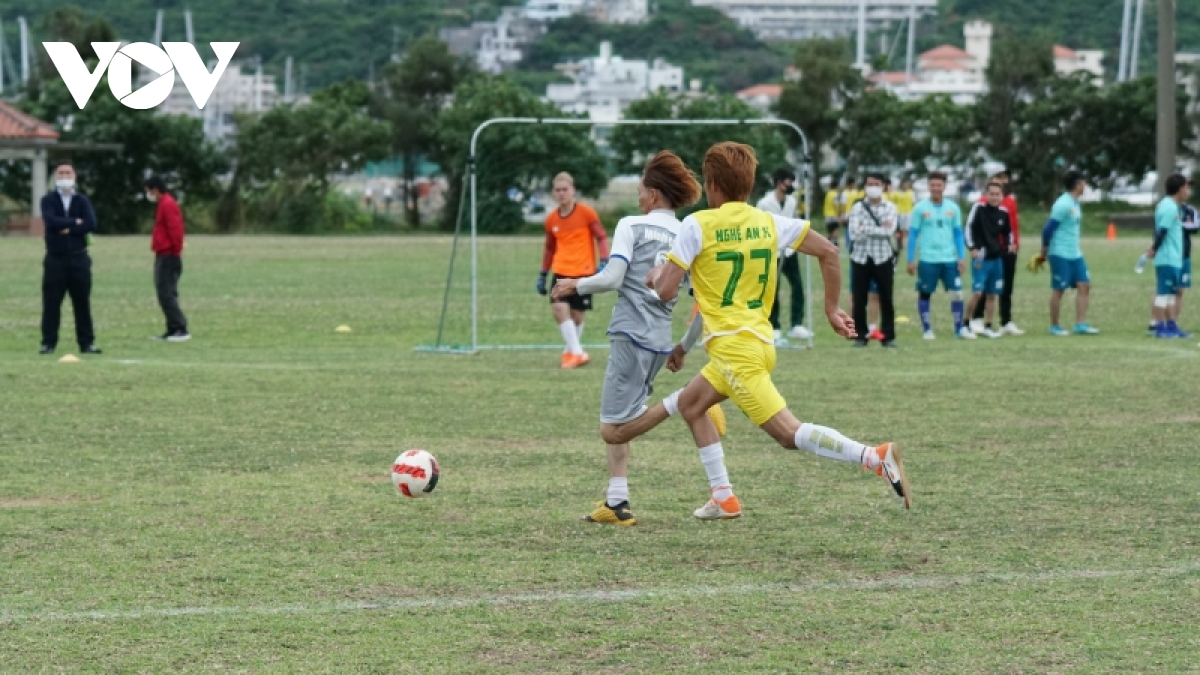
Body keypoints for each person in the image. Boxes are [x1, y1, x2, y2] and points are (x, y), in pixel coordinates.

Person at [604, 142, 910, 518]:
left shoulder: (698, 224)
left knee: (788, 434)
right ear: (748, 184)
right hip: (758, 343)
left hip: (734, 352)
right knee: (691, 406)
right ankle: (723, 497)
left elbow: (666, 291)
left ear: (711, 184)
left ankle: (874, 457)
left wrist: (654, 276)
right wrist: (831, 309)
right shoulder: (768, 221)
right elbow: (829, 251)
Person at [552, 151, 723, 526]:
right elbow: (705, 304)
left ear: (655, 193)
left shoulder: (632, 225)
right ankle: (617, 502)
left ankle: (684, 400)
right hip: (660, 343)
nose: (639, 198)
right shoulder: (688, 232)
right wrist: (684, 346)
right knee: (623, 414)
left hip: (630, 336)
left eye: (641, 191)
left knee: (611, 429)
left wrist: (575, 284)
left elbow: (613, 278)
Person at [535, 172, 609, 368]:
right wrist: (543, 274)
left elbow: (601, 237)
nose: (561, 193)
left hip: (583, 272)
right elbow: (549, 248)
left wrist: (604, 259)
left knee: (577, 316)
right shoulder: (551, 220)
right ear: (553, 193)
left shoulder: (587, 213)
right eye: (557, 190)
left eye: (565, 189)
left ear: (573, 190)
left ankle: (570, 351)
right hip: (561, 270)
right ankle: (577, 353)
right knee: (558, 308)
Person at [39, 161, 100, 356]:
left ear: (75, 176)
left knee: (82, 302)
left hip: (79, 258)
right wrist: (75, 222)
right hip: (55, 259)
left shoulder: (82, 200)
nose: (64, 176)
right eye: (61, 173)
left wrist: (68, 229)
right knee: (51, 302)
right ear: (55, 176)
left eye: (68, 173)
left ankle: (86, 342)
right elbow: (51, 221)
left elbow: (91, 223)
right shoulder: (48, 200)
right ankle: (48, 343)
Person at [1030, 171, 1099, 336]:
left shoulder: (1075, 203)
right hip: (1060, 252)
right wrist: (1044, 249)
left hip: (1075, 253)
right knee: (1059, 289)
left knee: (1084, 285)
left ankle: (1080, 324)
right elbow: (1048, 229)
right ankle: (1055, 326)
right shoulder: (1063, 204)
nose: (1085, 186)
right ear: (1077, 185)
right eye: (1083, 183)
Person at [907, 171, 969, 340]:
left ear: (944, 187)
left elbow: (958, 234)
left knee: (957, 293)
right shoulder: (920, 208)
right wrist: (910, 259)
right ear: (929, 186)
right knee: (925, 293)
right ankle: (927, 330)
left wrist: (961, 257)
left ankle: (959, 329)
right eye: (932, 185)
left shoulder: (953, 208)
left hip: (949, 258)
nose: (935, 188)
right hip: (928, 259)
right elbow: (913, 234)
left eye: (938, 185)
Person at [757, 167, 810, 344]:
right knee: (773, 288)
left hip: (789, 250)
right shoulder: (764, 203)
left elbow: (794, 222)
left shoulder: (792, 202)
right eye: (788, 182)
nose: (791, 186)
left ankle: (796, 324)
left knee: (797, 285)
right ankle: (774, 325)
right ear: (779, 183)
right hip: (772, 251)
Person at [848, 173, 898, 348]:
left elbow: (889, 231)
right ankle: (860, 335)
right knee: (859, 298)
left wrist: (865, 228)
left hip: (883, 257)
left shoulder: (890, 207)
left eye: (876, 184)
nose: (872, 187)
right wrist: (877, 228)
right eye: (869, 184)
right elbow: (854, 233)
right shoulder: (857, 207)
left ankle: (888, 336)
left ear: (883, 186)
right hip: (860, 257)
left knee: (886, 297)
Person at [971, 171, 1024, 335]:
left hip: (1007, 250)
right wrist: (975, 247)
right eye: (999, 178)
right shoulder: (982, 203)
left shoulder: (1010, 201)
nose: (1002, 181)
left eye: (1004, 178)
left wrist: (1014, 243)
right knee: (984, 286)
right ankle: (977, 317)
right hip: (989, 251)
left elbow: (1013, 226)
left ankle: (1006, 320)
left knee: (1006, 286)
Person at [964, 181, 1014, 339]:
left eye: (997, 194)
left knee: (993, 295)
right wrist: (972, 247)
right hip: (981, 258)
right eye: (991, 194)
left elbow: (1008, 233)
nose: (994, 197)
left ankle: (988, 326)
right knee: (978, 293)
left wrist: (1010, 245)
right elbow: (969, 227)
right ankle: (965, 324)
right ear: (986, 195)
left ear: (1002, 196)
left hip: (996, 258)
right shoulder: (978, 208)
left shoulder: (1003, 212)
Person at [144, 176, 190, 342]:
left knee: (166, 292)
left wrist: (175, 251)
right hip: (163, 253)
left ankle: (180, 328)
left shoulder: (168, 204)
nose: (148, 195)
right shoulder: (163, 204)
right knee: (164, 292)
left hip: (169, 254)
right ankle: (172, 328)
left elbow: (175, 229)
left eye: (149, 191)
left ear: (155, 190)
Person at [1145, 174, 1191, 339]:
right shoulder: (1169, 207)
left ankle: (1172, 326)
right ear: (1179, 189)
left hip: (1174, 258)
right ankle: (1159, 327)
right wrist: (1154, 249)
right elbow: (1161, 231)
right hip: (1167, 258)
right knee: (1163, 294)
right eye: (1186, 187)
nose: (1188, 191)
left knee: (1171, 294)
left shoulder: (1173, 206)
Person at [892, 178, 916, 252]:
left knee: (907, 229)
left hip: (908, 213)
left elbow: (913, 203)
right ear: (901, 185)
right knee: (899, 229)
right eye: (904, 184)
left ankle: (904, 242)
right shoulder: (896, 193)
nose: (906, 186)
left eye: (907, 184)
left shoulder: (911, 193)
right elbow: (893, 203)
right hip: (899, 213)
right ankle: (899, 243)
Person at [823, 178, 842, 244]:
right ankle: (834, 245)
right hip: (833, 216)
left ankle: (826, 245)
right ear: (837, 186)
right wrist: (838, 216)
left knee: (830, 232)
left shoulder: (828, 194)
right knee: (835, 232)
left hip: (827, 215)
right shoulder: (835, 194)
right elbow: (835, 205)